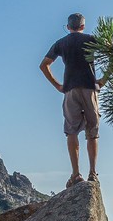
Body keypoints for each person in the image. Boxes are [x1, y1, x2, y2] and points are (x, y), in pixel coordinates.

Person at [40, 13, 106, 187]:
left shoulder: (61, 43)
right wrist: (104, 80)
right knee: (92, 131)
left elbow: (44, 65)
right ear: (83, 26)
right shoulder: (91, 39)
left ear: (68, 27)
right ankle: (93, 173)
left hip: (70, 89)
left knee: (71, 131)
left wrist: (57, 85)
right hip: (90, 88)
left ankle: (76, 174)